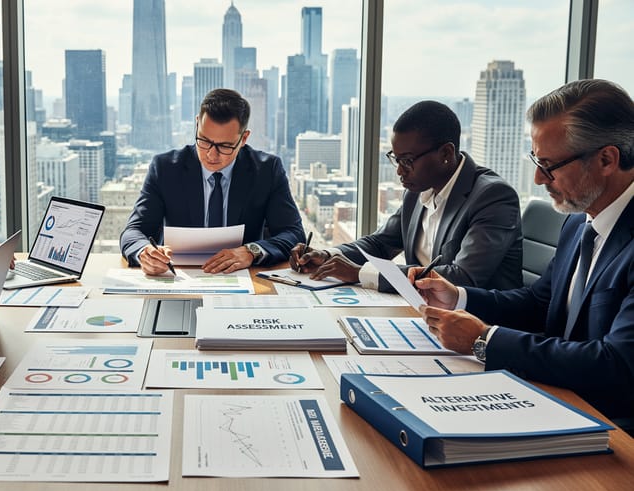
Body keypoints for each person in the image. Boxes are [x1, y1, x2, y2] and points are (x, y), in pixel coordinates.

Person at [415, 79, 634, 430]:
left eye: (549, 165)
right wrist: (459, 298)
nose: (536, 178)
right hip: (556, 395)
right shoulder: (579, 221)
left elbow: (616, 365)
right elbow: (538, 304)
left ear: (607, 159)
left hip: (612, 425)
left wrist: (484, 340)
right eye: (536, 160)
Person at [290, 101, 522, 292]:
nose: (400, 170)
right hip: (424, 312)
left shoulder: (493, 197)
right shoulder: (417, 190)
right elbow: (381, 243)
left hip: (479, 327)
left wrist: (361, 273)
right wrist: (328, 254)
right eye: (396, 159)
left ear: (446, 153)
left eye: (408, 160)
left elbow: (463, 277)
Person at [119, 88, 305, 275]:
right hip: (178, 278)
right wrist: (144, 252)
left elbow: (294, 234)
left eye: (225, 146)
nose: (211, 154)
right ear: (197, 124)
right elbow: (133, 231)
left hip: (243, 278)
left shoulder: (266, 170)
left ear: (244, 138)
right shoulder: (165, 168)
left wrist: (251, 251)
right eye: (204, 140)